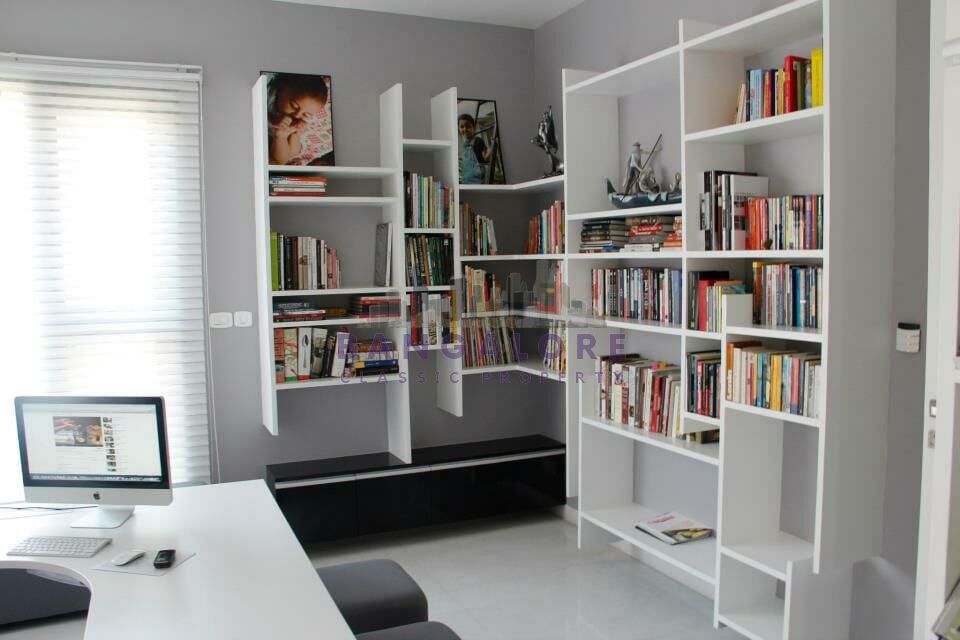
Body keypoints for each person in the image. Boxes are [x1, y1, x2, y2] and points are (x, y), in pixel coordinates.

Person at [267, 73, 335, 166]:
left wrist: (294, 135)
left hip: (279, 142)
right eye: (294, 106)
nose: (297, 115)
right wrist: (271, 118)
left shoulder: (298, 121)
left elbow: (289, 155)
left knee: (280, 159)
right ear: (282, 88)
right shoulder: (269, 92)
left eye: (306, 114)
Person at [458, 113, 490, 184]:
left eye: (468, 126)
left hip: (477, 180)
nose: (465, 129)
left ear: (474, 128)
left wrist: (490, 149)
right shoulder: (464, 144)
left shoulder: (478, 141)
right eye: (462, 127)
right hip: (466, 179)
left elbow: (485, 158)